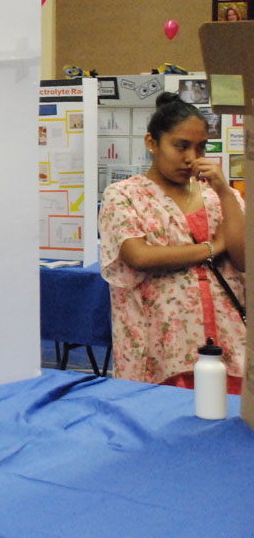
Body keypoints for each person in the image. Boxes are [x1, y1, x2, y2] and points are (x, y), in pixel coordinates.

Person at [99, 93, 246, 393]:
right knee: (164, 414)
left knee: (228, 417)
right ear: (151, 143)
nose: (192, 157)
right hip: (161, 346)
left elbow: (244, 259)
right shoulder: (124, 195)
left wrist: (225, 192)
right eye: (181, 146)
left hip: (227, 341)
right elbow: (139, 256)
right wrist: (212, 248)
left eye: (200, 147)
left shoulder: (220, 197)